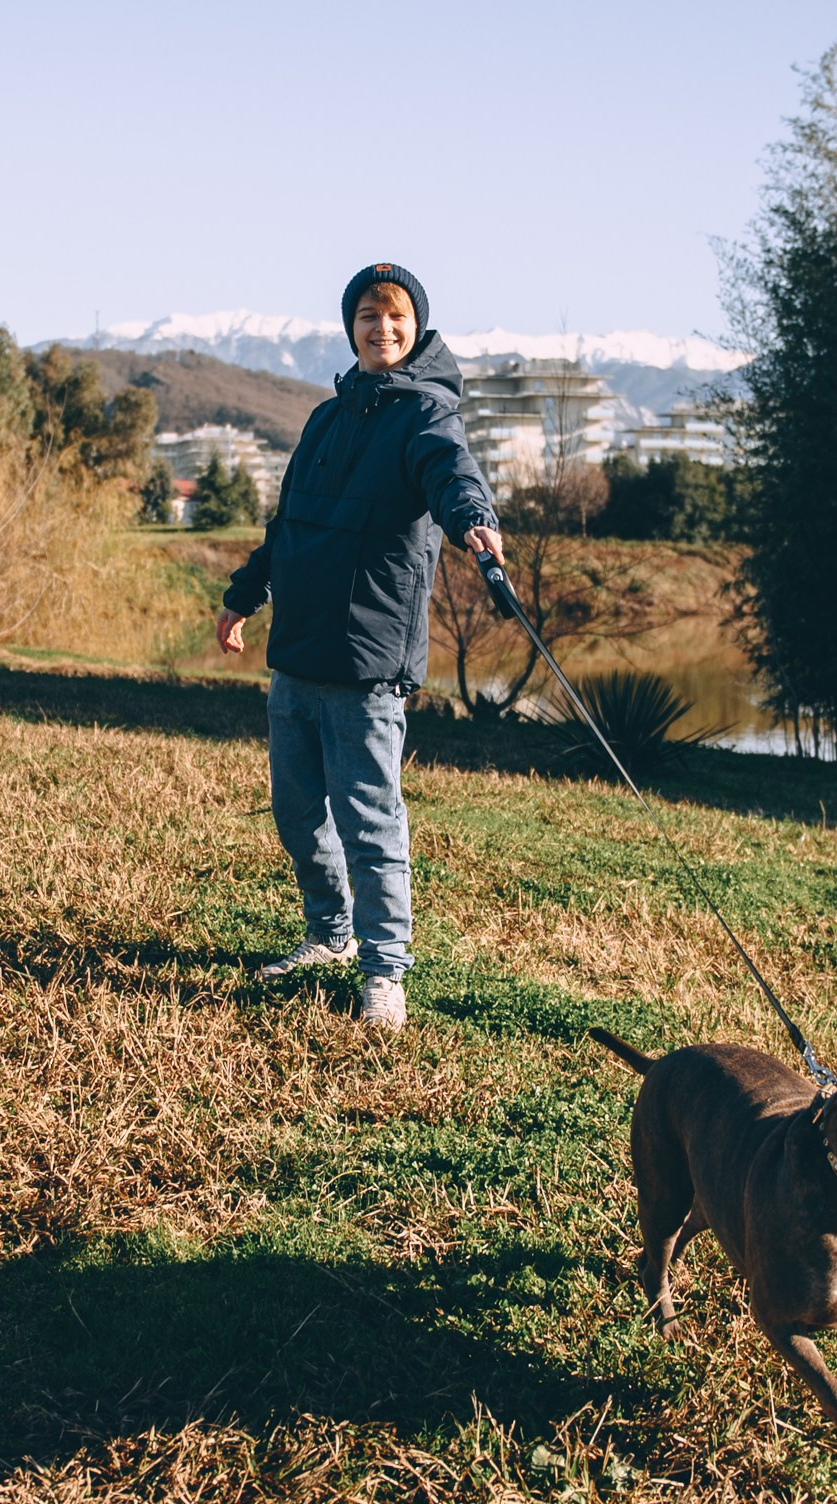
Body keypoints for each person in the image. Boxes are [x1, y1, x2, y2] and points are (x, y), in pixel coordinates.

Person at [216, 263, 502, 1028]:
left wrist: (473, 518)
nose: (383, 328)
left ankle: (384, 972)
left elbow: (453, 475)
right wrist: (244, 597)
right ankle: (331, 935)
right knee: (296, 812)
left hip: (370, 660)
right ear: (351, 327)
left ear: (417, 329)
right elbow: (290, 528)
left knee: (370, 820)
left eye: (397, 316)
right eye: (370, 316)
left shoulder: (428, 415)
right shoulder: (325, 420)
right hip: (298, 654)